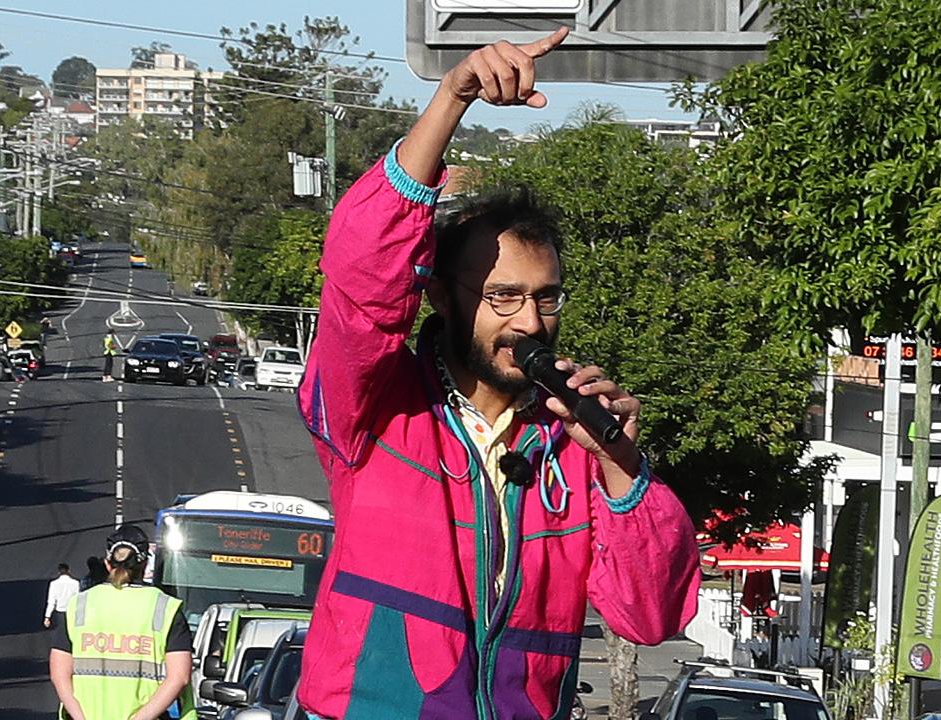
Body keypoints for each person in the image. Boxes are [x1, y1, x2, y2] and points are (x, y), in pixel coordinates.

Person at [295, 27, 699, 720]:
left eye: (545, 298)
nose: (529, 323)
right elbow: (362, 272)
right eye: (502, 297)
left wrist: (622, 466)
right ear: (443, 297)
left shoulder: (572, 446)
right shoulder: (376, 407)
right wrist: (451, 98)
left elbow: (650, 617)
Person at [49, 525, 195, 720]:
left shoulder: (79, 606)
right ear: (144, 566)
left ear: (108, 563)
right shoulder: (165, 608)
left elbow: (59, 674)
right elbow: (179, 677)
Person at [44, 563, 78, 630]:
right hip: (72, 613)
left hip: (60, 613)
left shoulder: (54, 584)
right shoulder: (75, 583)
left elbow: (51, 602)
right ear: (69, 571)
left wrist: (47, 617)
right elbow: (78, 600)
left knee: (60, 635)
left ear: (58, 572)